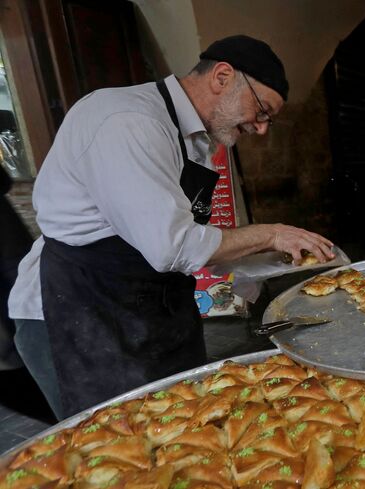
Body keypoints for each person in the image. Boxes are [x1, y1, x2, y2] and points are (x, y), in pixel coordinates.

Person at [8, 35, 335, 418]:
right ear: (223, 76)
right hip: (79, 315)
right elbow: (174, 246)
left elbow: (193, 242)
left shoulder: (195, 141)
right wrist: (271, 233)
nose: (261, 128)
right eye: (261, 110)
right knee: (119, 450)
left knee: (186, 425)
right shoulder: (127, 121)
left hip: (150, 311)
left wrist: (262, 265)